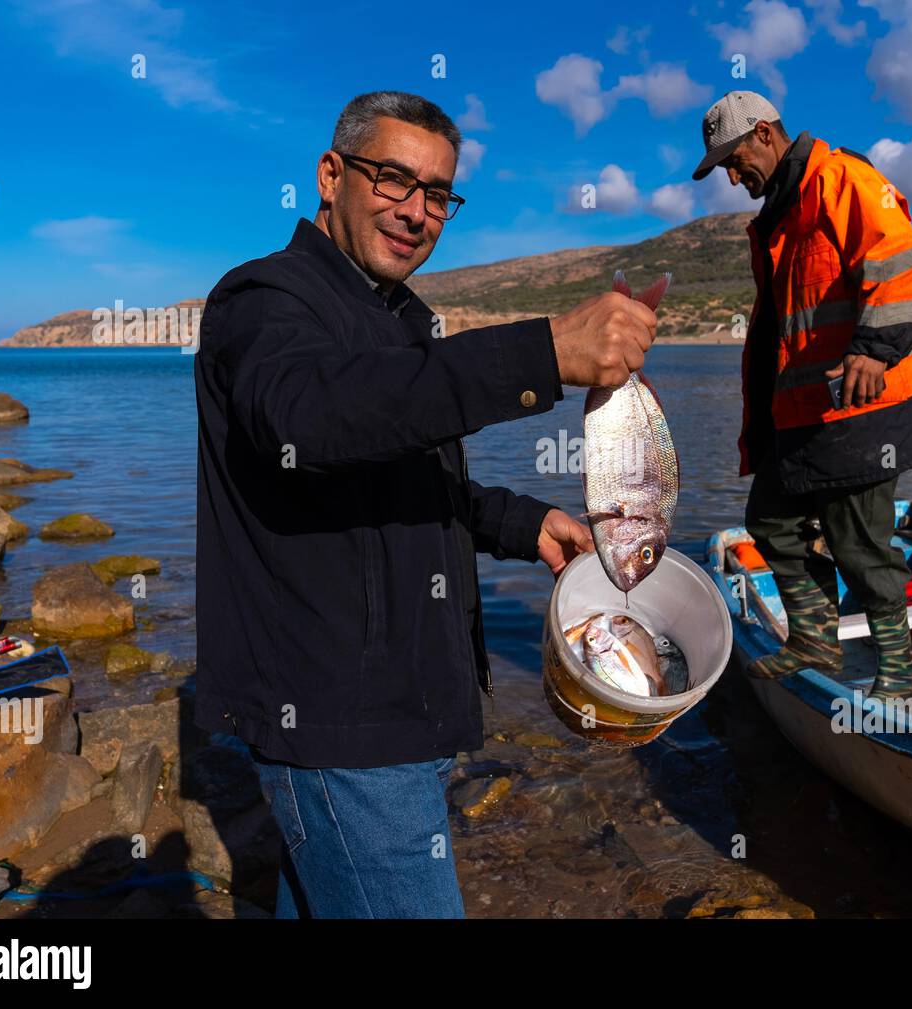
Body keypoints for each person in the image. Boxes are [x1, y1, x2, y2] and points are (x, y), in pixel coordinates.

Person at [193, 90, 657, 917]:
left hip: (398, 710)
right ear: (331, 176)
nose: (416, 211)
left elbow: (390, 477)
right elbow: (309, 414)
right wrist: (544, 353)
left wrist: (520, 521)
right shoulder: (264, 300)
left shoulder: (400, 321)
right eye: (393, 180)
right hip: (345, 722)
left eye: (437, 193)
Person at [692, 91, 912, 699]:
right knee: (770, 519)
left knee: (858, 542)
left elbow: (902, 262)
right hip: (812, 413)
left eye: (733, 162)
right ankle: (815, 638)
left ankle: (900, 667)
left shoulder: (841, 179)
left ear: (763, 133)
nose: (733, 179)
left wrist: (873, 348)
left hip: (867, 409)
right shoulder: (783, 212)